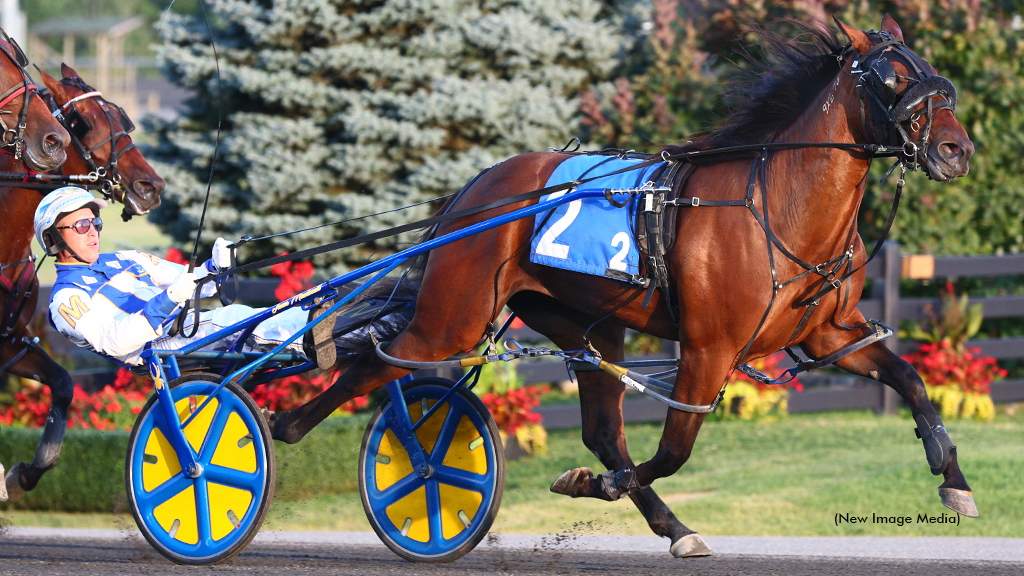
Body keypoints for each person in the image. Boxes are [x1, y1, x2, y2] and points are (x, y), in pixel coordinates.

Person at [36, 186, 308, 367]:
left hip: (187, 326)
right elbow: (115, 343)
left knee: (270, 312)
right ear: (53, 239)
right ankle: (313, 339)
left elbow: (193, 283)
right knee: (230, 318)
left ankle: (327, 326)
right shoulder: (66, 297)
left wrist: (214, 266)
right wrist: (170, 298)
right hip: (156, 349)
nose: (93, 231)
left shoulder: (126, 258)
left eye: (95, 222)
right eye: (82, 225)